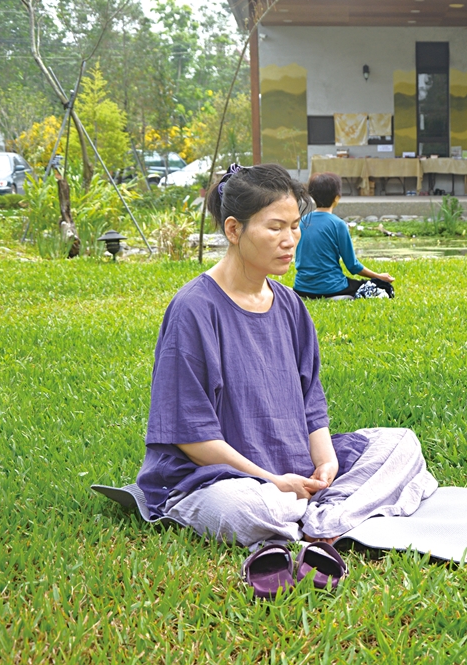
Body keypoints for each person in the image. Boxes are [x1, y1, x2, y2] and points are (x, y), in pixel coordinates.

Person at [135, 164, 436, 546]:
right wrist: (272, 482)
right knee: (248, 510)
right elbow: (192, 437)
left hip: (295, 468)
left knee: (401, 445)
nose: (290, 239)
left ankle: (317, 518)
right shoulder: (194, 309)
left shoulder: (291, 305)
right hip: (221, 478)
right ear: (233, 230)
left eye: (295, 226)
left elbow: (311, 402)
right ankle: (333, 516)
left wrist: (327, 462)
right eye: (275, 227)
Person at [292, 172, 396, 299]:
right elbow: (352, 266)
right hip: (332, 288)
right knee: (382, 286)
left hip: (301, 288)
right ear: (337, 197)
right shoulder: (338, 224)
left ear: (312, 196)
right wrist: (378, 276)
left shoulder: (302, 222)